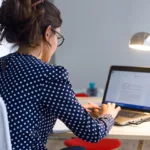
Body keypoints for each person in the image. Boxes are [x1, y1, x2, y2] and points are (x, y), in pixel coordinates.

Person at [0, 0, 121, 150]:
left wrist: (74, 109)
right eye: (58, 37)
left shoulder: (3, 64)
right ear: (48, 32)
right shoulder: (49, 75)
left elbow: (19, 109)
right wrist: (108, 115)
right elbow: (93, 133)